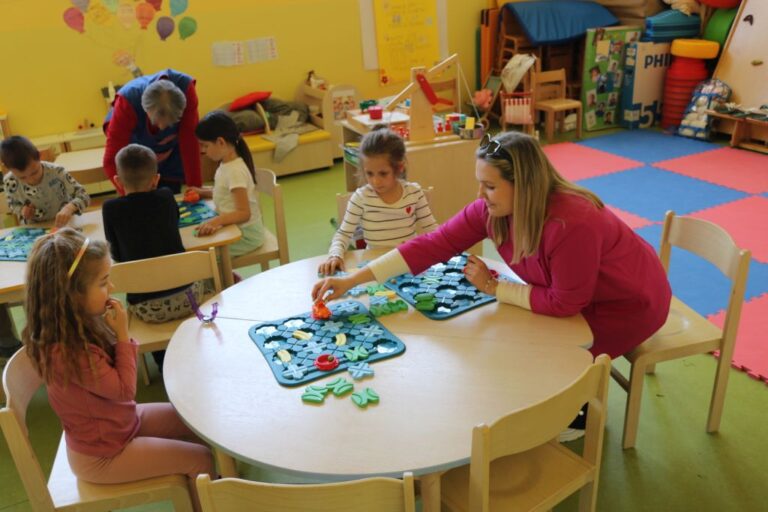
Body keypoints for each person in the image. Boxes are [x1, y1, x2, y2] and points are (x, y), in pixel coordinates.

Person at [314, 131, 671, 362]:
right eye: (479, 183)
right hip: (574, 296)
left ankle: (577, 412)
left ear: (524, 184)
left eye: (489, 186)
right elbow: (431, 245)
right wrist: (353, 280)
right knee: (516, 345)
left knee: (545, 360)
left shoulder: (571, 224)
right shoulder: (492, 209)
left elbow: (565, 303)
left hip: (626, 305)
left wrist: (494, 287)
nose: (480, 195)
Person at [23, 228, 213, 511]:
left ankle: (214, 494)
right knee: (200, 459)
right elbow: (125, 390)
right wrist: (123, 335)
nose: (111, 288)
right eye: (103, 282)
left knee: (196, 422)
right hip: (105, 455)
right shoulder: (69, 351)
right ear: (72, 294)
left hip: (119, 424)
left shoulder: (78, 324)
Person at [102, 144, 206, 371]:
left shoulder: (110, 208)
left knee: (143, 283)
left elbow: (116, 254)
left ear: (117, 181)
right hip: (188, 298)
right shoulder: (166, 197)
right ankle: (194, 346)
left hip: (147, 309)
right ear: (156, 179)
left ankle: (162, 360)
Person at [318, 126, 438, 276]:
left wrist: (450, 250)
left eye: (383, 173)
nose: (375, 181)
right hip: (373, 266)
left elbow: (433, 231)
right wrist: (334, 255)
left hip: (407, 263)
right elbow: (343, 234)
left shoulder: (414, 193)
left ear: (399, 168)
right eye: (369, 173)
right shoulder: (361, 198)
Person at [103, 69, 202, 194]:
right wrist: (129, 195)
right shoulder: (128, 102)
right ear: (146, 109)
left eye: (170, 123)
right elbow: (111, 160)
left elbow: (190, 143)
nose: (162, 128)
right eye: (156, 122)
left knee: (168, 196)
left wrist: (195, 189)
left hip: (170, 156)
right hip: (137, 152)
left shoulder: (187, 90)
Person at [190, 111, 265, 258]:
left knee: (202, 257)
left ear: (221, 142)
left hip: (246, 236)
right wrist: (203, 192)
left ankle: (220, 273)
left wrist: (216, 222)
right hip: (235, 228)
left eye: (205, 145)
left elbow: (244, 213)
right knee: (198, 247)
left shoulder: (235, 171)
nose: (202, 151)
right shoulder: (226, 164)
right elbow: (226, 193)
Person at [1, 135, 90, 227]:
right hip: (35, 228)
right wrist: (22, 210)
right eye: (22, 177)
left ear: (39, 156)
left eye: (34, 172)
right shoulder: (10, 181)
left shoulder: (57, 171)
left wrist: (69, 208)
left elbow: (84, 196)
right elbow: (12, 204)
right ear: (7, 168)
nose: (31, 179)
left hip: (65, 224)